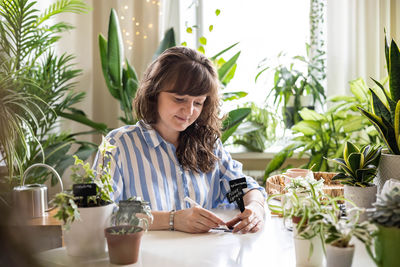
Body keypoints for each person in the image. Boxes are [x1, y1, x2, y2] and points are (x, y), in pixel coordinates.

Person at [95, 46, 266, 234]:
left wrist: (254, 207)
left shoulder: (208, 144)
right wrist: (172, 220)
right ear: (154, 94)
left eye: (198, 103)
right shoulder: (118, 145)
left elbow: (240, 186)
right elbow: (101, 213)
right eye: (179, 99)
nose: (189, 111)